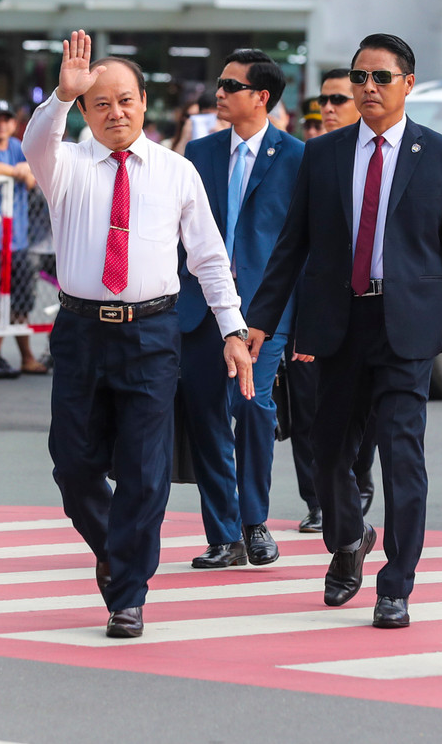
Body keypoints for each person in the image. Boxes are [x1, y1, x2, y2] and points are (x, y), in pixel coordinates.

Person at [246, 32, 442, 630]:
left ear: (408, 84)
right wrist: (261, 322)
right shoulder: (323, 155)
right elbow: (291, 246)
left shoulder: (440, 155)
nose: (368, 88)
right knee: (329, 453)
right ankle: (348, 540)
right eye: (360, 78)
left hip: (407, 327)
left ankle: (395, 584)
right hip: (337, 323)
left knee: (402, 456)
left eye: (381, 77)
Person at [22, 31, 253, 638]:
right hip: (79, 330)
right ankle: (116, 552)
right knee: (73, 467)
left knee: (146, 474)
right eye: (101, 104)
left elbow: (208, 257)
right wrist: (61, 99)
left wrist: (232, 328)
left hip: (152, 333)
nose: (114, 112)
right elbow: (36, 141)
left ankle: (127, 593)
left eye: (124, 100)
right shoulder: (66, 163)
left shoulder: (177, 172)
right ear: (88, 112)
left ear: (145, 103)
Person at [179, 49, 303, 569]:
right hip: (199, 308)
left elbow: (303, 244)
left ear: (262, 97)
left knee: (252, 408)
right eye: (219, 85)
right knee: (205, 416)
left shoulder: (297, 158)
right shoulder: (199, 154)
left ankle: (255, 522)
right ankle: (224, 534)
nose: (220, 94)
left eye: (231, 86)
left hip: (261, 315)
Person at [285, 65, 377, 531]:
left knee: (365, 411)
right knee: (307, 410)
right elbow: (294, 246)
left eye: (338, 99)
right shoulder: (315, 157)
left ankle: (358, 482)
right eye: (323, 101)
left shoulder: (378, 157)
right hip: (314, 306)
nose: (328, 109)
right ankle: (319, 499)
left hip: (369, 312)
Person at [0, 100, 45, 377]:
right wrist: (19, 171)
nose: (1, 124)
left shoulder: (17, 146)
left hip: (18, 241)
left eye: (7, 119)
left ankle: (13, 356)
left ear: (14, 124)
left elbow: (34, 173)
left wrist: (25, 171)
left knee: (20, 303)